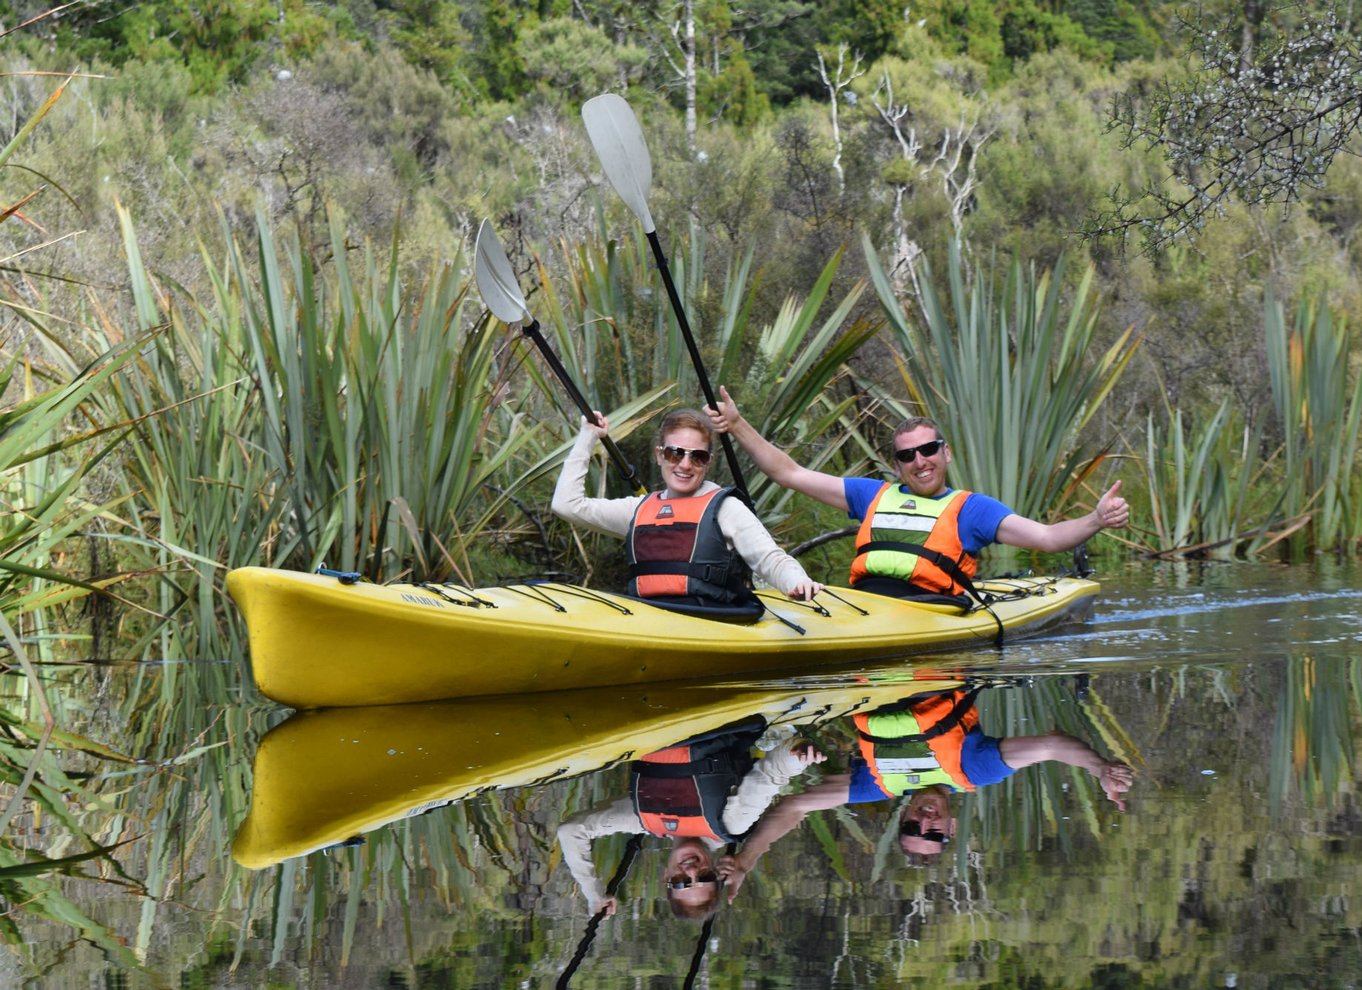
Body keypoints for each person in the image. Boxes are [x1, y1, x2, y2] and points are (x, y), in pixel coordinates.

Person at [705, 387, 1128, 601]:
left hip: (930, 611)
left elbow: (1048, 539)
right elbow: (788, 473)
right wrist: (737, 425)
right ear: (897, 464)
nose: (920, 461)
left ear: (946, 453)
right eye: (907, 455)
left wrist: (1096, 520)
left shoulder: (971, 510)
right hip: (865, 604)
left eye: (928, 450)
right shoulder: (870, 494)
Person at [717, 684, 1133, 899]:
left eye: (914, 827)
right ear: (951, 826)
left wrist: (747, 859)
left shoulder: (877, 784)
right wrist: (1099, 768)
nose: (926, 822)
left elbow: (796, 805)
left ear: (904, 816)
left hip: (876, 677)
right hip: (936, 670)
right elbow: (1049, 745)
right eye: (935, 834)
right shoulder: (975, 770)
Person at [556, 719, 827, 920]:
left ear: (666, 877)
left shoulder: (644, 821)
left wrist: (594, 894)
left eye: (681, 882)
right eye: (705, 877)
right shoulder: (731, 824)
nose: (691, 871)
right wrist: (798, 757)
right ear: (714, 869)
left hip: (654, 725)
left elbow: (571, 831)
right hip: (714, 723)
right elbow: (771, 774)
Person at [552, 408, 822, 608]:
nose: (684, 465)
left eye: (698, 456)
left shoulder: (726, 508)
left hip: (710, 618)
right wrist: (587, 437)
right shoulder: (638, 509)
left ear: (708, 462)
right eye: (675, 453)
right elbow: (566, 505)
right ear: (660, 455)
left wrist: (796, 582)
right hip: (649, 618)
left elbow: (770, 559)